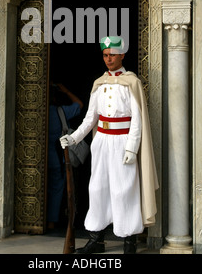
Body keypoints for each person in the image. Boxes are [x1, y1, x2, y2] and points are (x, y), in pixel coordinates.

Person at [60, 36, 158, 254]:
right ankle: (97, 239)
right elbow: (90, 119)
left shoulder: (131, 82)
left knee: (124, 190)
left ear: (122, 55)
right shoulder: (99, 83)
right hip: (102, 142)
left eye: (112, 54)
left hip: (123, 142)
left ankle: (129, 242)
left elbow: (137, 120)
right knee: (98, 189)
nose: (108, 59)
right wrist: (73, 138)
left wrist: (132, 148)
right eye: (105, 55)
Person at [47, 83, 83, 230]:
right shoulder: (60, 112)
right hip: (57, 158)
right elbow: (79, 105)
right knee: (56, 188)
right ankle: (51, 221)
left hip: (37, 158)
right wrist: (66, 90)